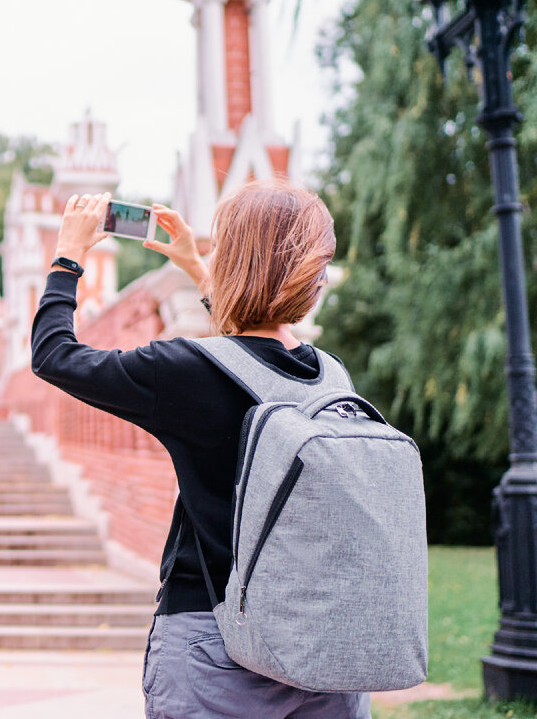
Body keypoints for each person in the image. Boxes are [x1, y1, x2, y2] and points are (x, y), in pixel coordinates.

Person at [30, 181, 371, 719]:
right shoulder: (331, 377)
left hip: (214, 648)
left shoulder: (186, 372)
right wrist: (195, 266)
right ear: (315, 271)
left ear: (232, 258)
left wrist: (68, 257)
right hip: (323, 647)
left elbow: (54, 354)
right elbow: (253, 350)